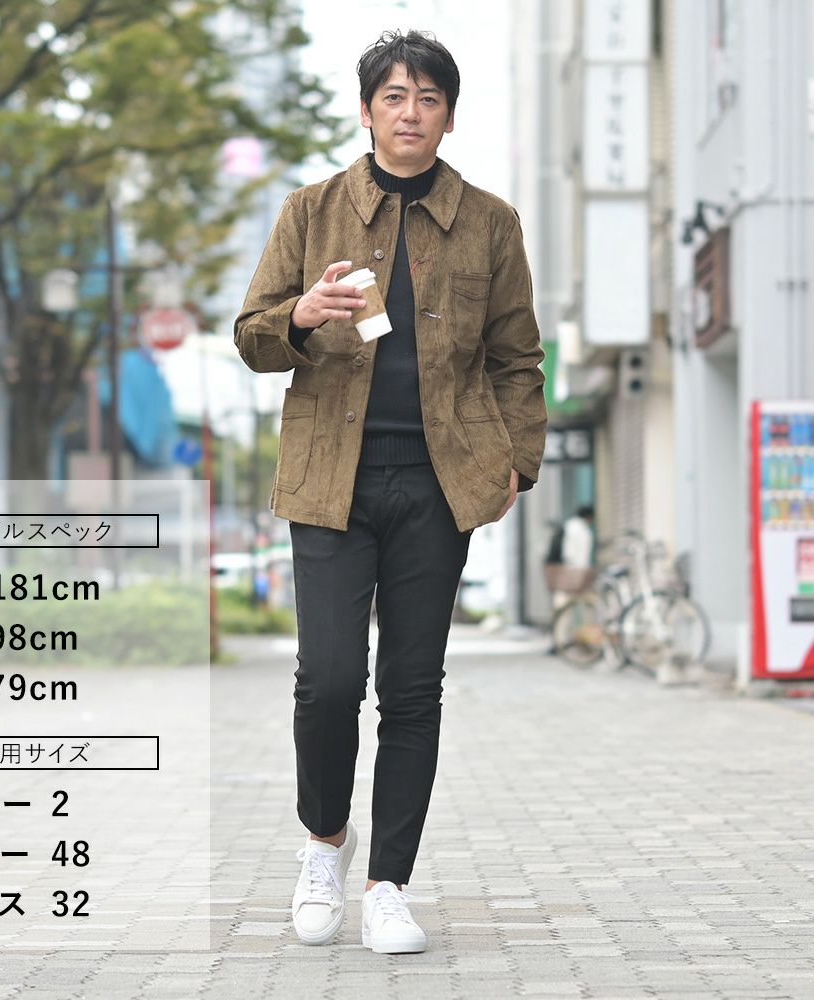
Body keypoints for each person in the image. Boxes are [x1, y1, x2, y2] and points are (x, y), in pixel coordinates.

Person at [234, 29, 547, 954]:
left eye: (429, 99)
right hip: (329, 478)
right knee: (329, 681)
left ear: (449, 116)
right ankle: (325, 844)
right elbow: (251, 336)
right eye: (395, 97)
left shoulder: (491, 222)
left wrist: (516, 463)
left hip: (441, 483)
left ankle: (388, 885)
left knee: (412, 688)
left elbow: (517, 358)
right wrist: (300, 315)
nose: (411, 113)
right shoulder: (310, 210)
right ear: (367, 111)